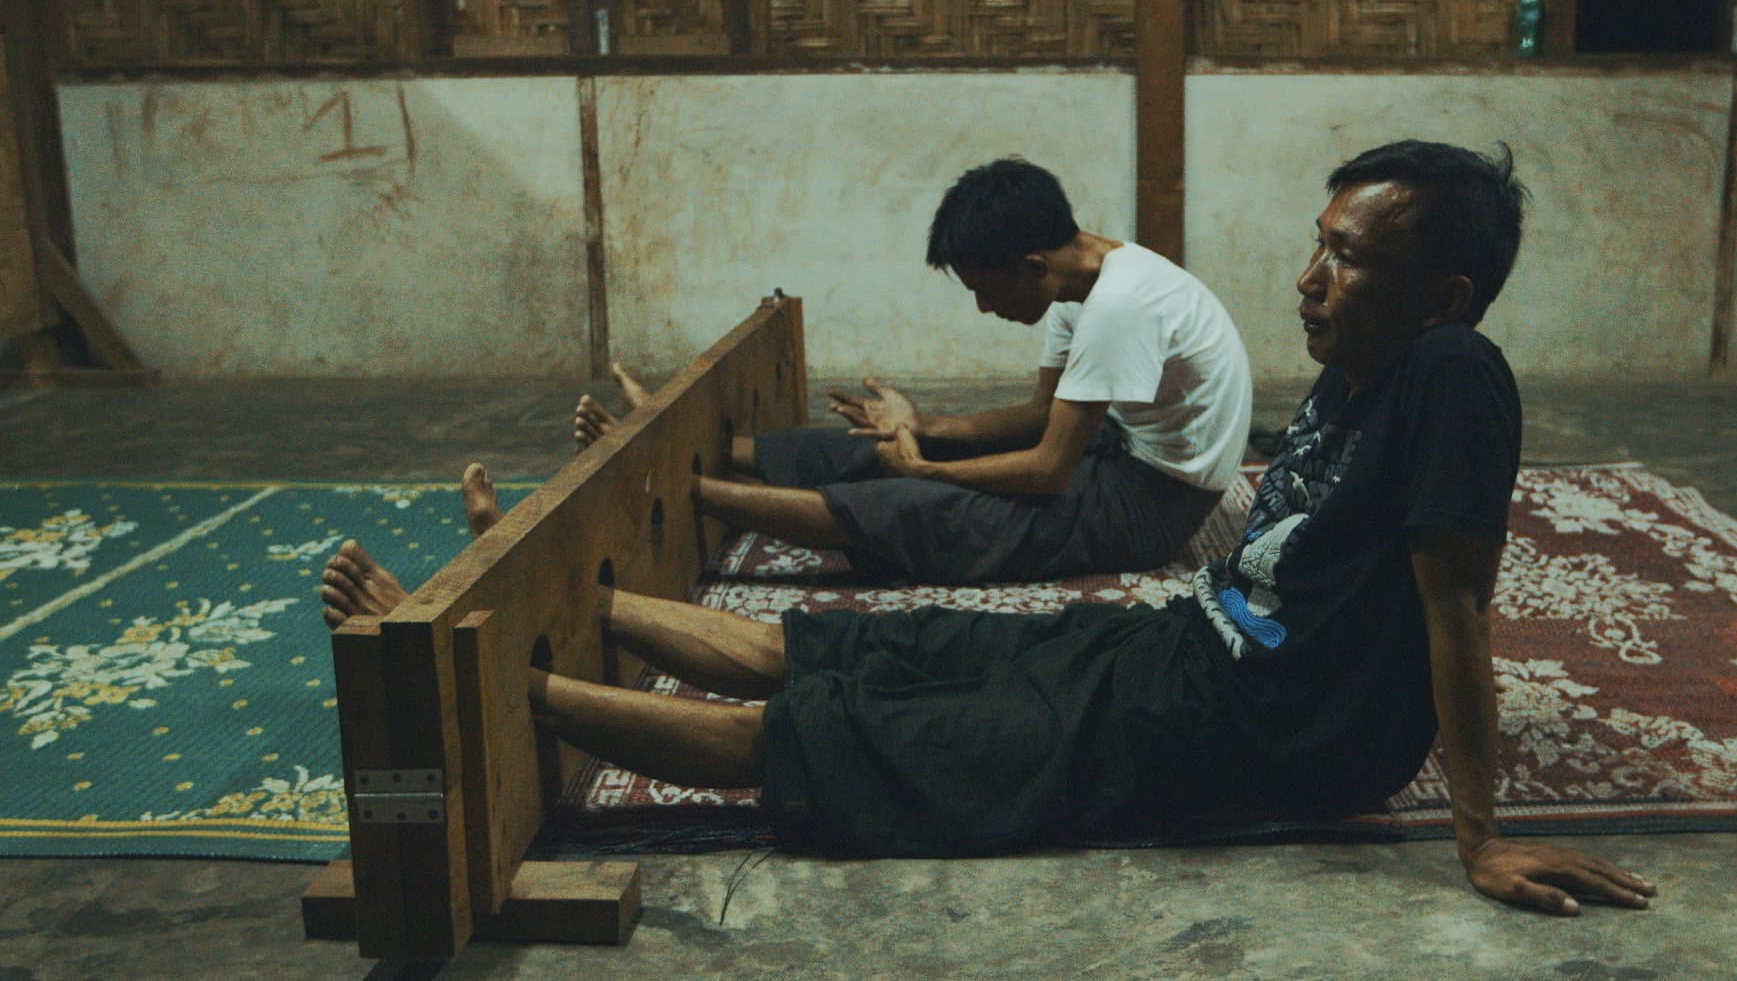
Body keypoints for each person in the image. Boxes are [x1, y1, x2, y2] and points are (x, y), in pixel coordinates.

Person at [321, 140, 1655, 914]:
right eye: (1321, 245)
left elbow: (1454, 609)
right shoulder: (1372, 363)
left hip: (1251, 725)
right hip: (1186, 648)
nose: (1312, 279)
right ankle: (523, 607)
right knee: (863, 652)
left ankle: (471, 678)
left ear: (1446, 294)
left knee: (844, 739)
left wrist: (1477, 836)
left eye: (1351, 258)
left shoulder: (1453, 375)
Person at [573, 157, 1253, 584]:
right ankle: (675, 444)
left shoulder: (1117, 306)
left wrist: (927, 471)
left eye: (985, 291)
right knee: (881, 441)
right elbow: (1044, 416)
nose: (985, 309)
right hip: (1124, 450)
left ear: (1033, 269)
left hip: (1155, 505)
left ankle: (682, 487)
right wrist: (925, 427)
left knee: (930, 508)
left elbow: (1049, 469)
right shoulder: (1081, 276)